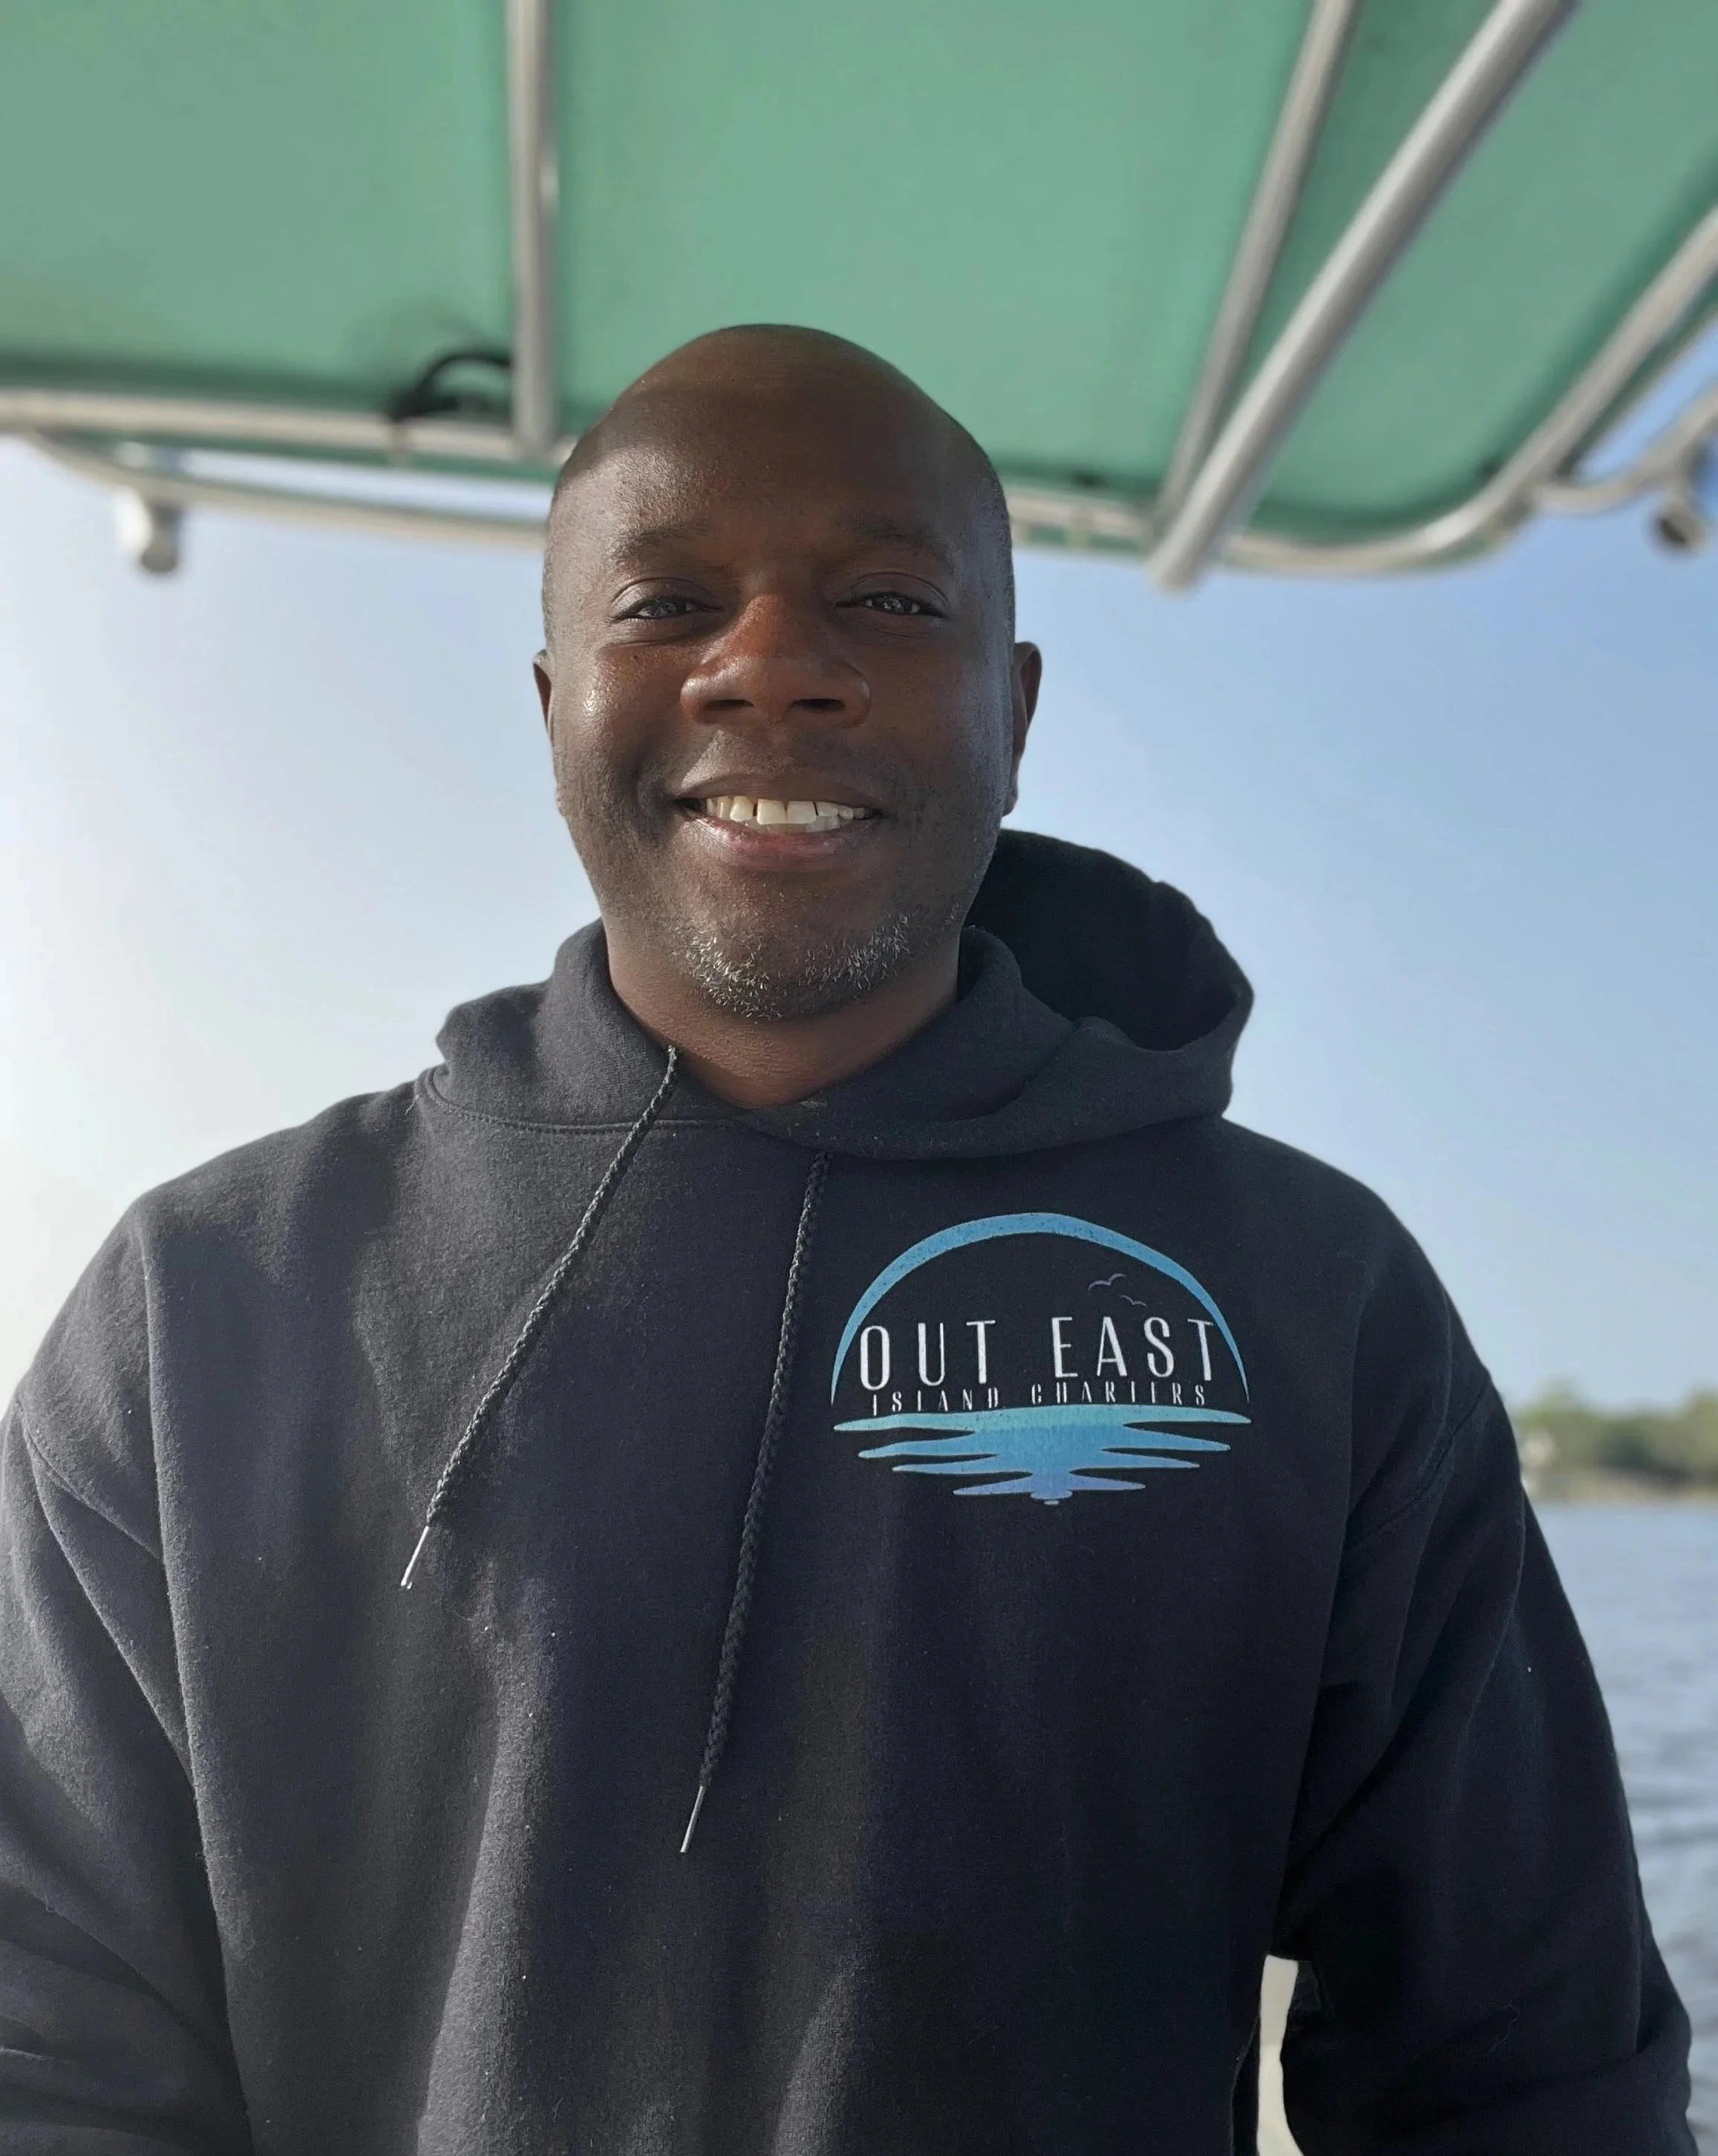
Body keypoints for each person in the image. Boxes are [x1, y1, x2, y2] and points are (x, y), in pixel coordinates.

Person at [0, 325, 1692, 2156]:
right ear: (553, 694)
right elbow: (52, 2055)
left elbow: (1524, 2080)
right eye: (665, 603)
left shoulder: (1314, 1301)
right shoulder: (206, 1308)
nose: (773, 667)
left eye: (886, 600)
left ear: (1014, 709)